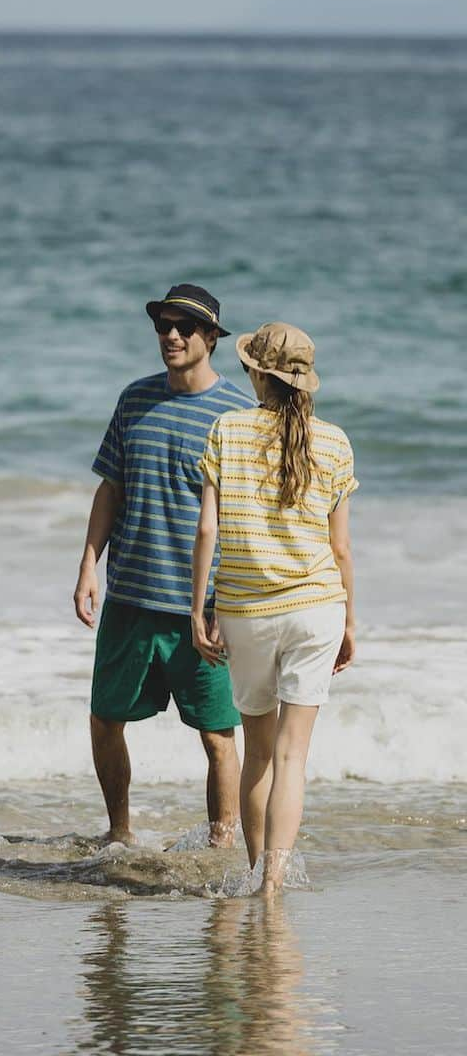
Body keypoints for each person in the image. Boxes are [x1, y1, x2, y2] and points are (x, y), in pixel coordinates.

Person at [73, 283, 250, 846]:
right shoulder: (134, 399)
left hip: (205, 610)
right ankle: (119, 833)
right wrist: (87, 566)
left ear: (212, 338)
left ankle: (224, 844)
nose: (171, 335)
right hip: (129, 598)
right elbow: (110, 488)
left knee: (219, 735)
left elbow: (249, 519)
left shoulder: (241, 414)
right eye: (163, 325)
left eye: (185, 327)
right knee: (105, 719)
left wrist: (230, 600)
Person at [191, 322, 357, 895]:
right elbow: (340, 548)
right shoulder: (333, 442)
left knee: (257, 750)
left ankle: (255, 868)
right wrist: (351, 622)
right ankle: (274, 885)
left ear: (258, 373)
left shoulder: (227, 430)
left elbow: (208, 528)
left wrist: (197, 610)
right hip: (316, 607)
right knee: (293, 758)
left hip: (246, 610)